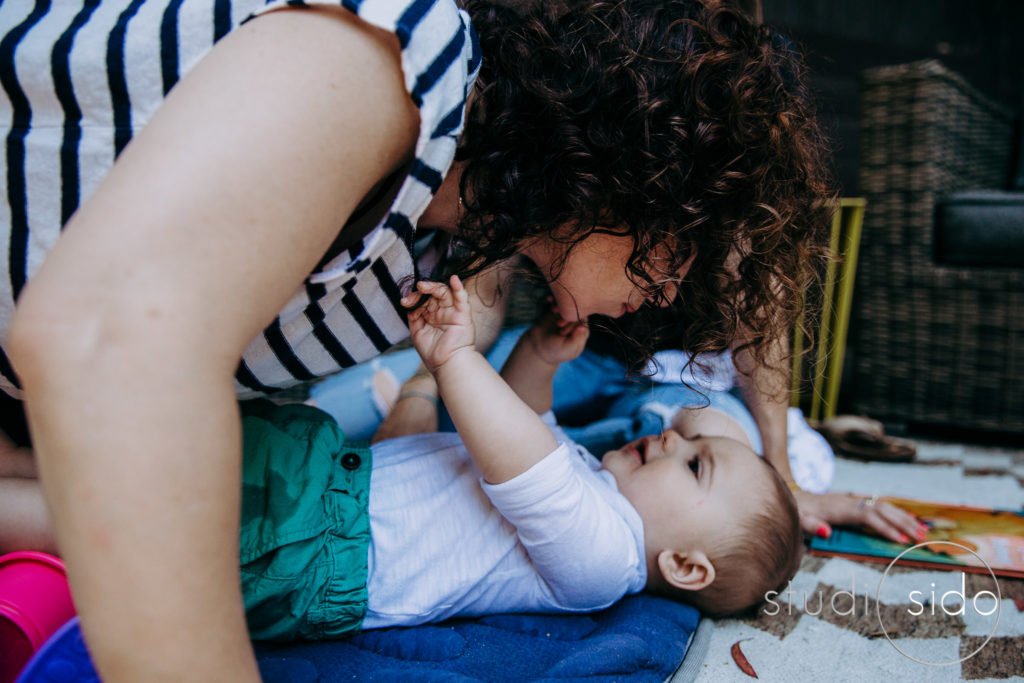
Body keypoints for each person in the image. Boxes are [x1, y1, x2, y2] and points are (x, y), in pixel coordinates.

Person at [0, 0, 834, 677]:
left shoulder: (452, 262)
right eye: (680, 253)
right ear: (628, 173)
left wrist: (782, 477)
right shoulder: (405, 58)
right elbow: (106, 343)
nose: (670, 293)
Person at [0, 275, 803, 639]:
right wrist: (542, 356)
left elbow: (516, 458)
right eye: (693, 440)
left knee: (91, 518)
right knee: (98, 465)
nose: (671, 438)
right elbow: (527, 419)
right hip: (321, 485)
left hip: (309, 545)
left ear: (688, 567)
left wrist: (457, 361)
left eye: (695, 465)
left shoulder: (602, 558)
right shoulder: (592, 487)